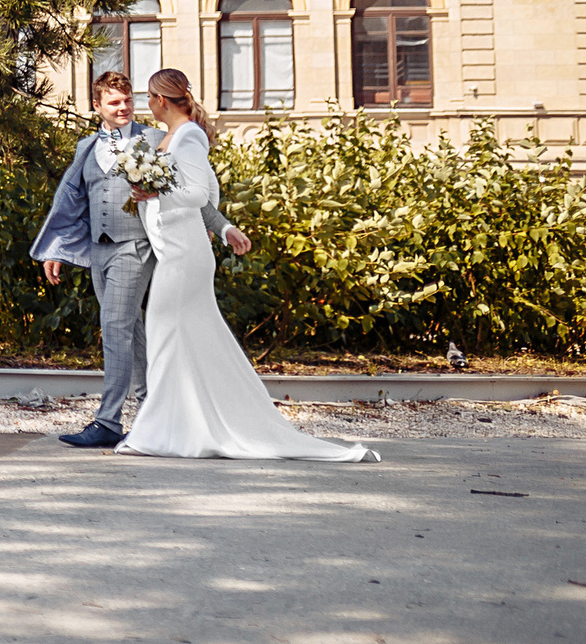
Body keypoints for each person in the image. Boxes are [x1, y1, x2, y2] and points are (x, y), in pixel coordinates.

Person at [119, 68, 377, 462]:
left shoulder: (187, 134)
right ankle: (181, 428)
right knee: (189, 340)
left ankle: (158, 433)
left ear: (161, 100)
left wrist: (155, 190)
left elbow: (197, 193)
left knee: (166, 336)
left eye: (150, 97)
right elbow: (209, 191)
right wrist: (164, 200)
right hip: (175, 250)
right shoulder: (175, 136)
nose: (147, 103)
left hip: (184, 255)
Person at [32, 72, 173, 448]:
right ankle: (150, 414)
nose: (123, 107)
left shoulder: (154, 139)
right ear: (97, 106)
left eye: (127, 100)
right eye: (114, 102)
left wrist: (210, 224)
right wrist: (56, 250)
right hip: (100, 249)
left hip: (135, 246)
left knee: (113, 327)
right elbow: (72, 203)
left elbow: (182, 186)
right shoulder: (86, 148)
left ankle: (108, 422)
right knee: (132, 332)